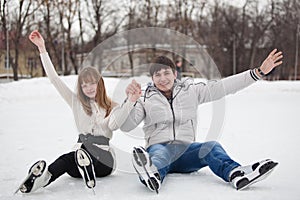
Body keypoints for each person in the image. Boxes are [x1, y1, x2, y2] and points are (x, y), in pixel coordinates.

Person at [121, 49, 283, 192]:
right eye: (157, 75)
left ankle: (236, 174)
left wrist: (258, 72)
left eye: (166, 73)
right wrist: (130, 102)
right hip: (159, 147)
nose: (162, 78)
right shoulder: (144, 99)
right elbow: (127, 126)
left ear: (175, 74)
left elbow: (224, 86)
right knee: (160, 155)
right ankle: (152, 174)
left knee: (212, 147)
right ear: (152, 78)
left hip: (186, 151)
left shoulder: (191, 91)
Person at [16, 30, 138, 194]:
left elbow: (114, 125)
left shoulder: (112, 106)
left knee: (83, 152)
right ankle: (41, 180)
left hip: (105, 161)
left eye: (92, 83)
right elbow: (54, 79)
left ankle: (87, 166)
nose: (88, 88)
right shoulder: (77, 103)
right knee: (67, 158)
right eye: (84, 85)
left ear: (99, 83)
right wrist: (42, 49)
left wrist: (130, 102)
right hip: (80, 155)